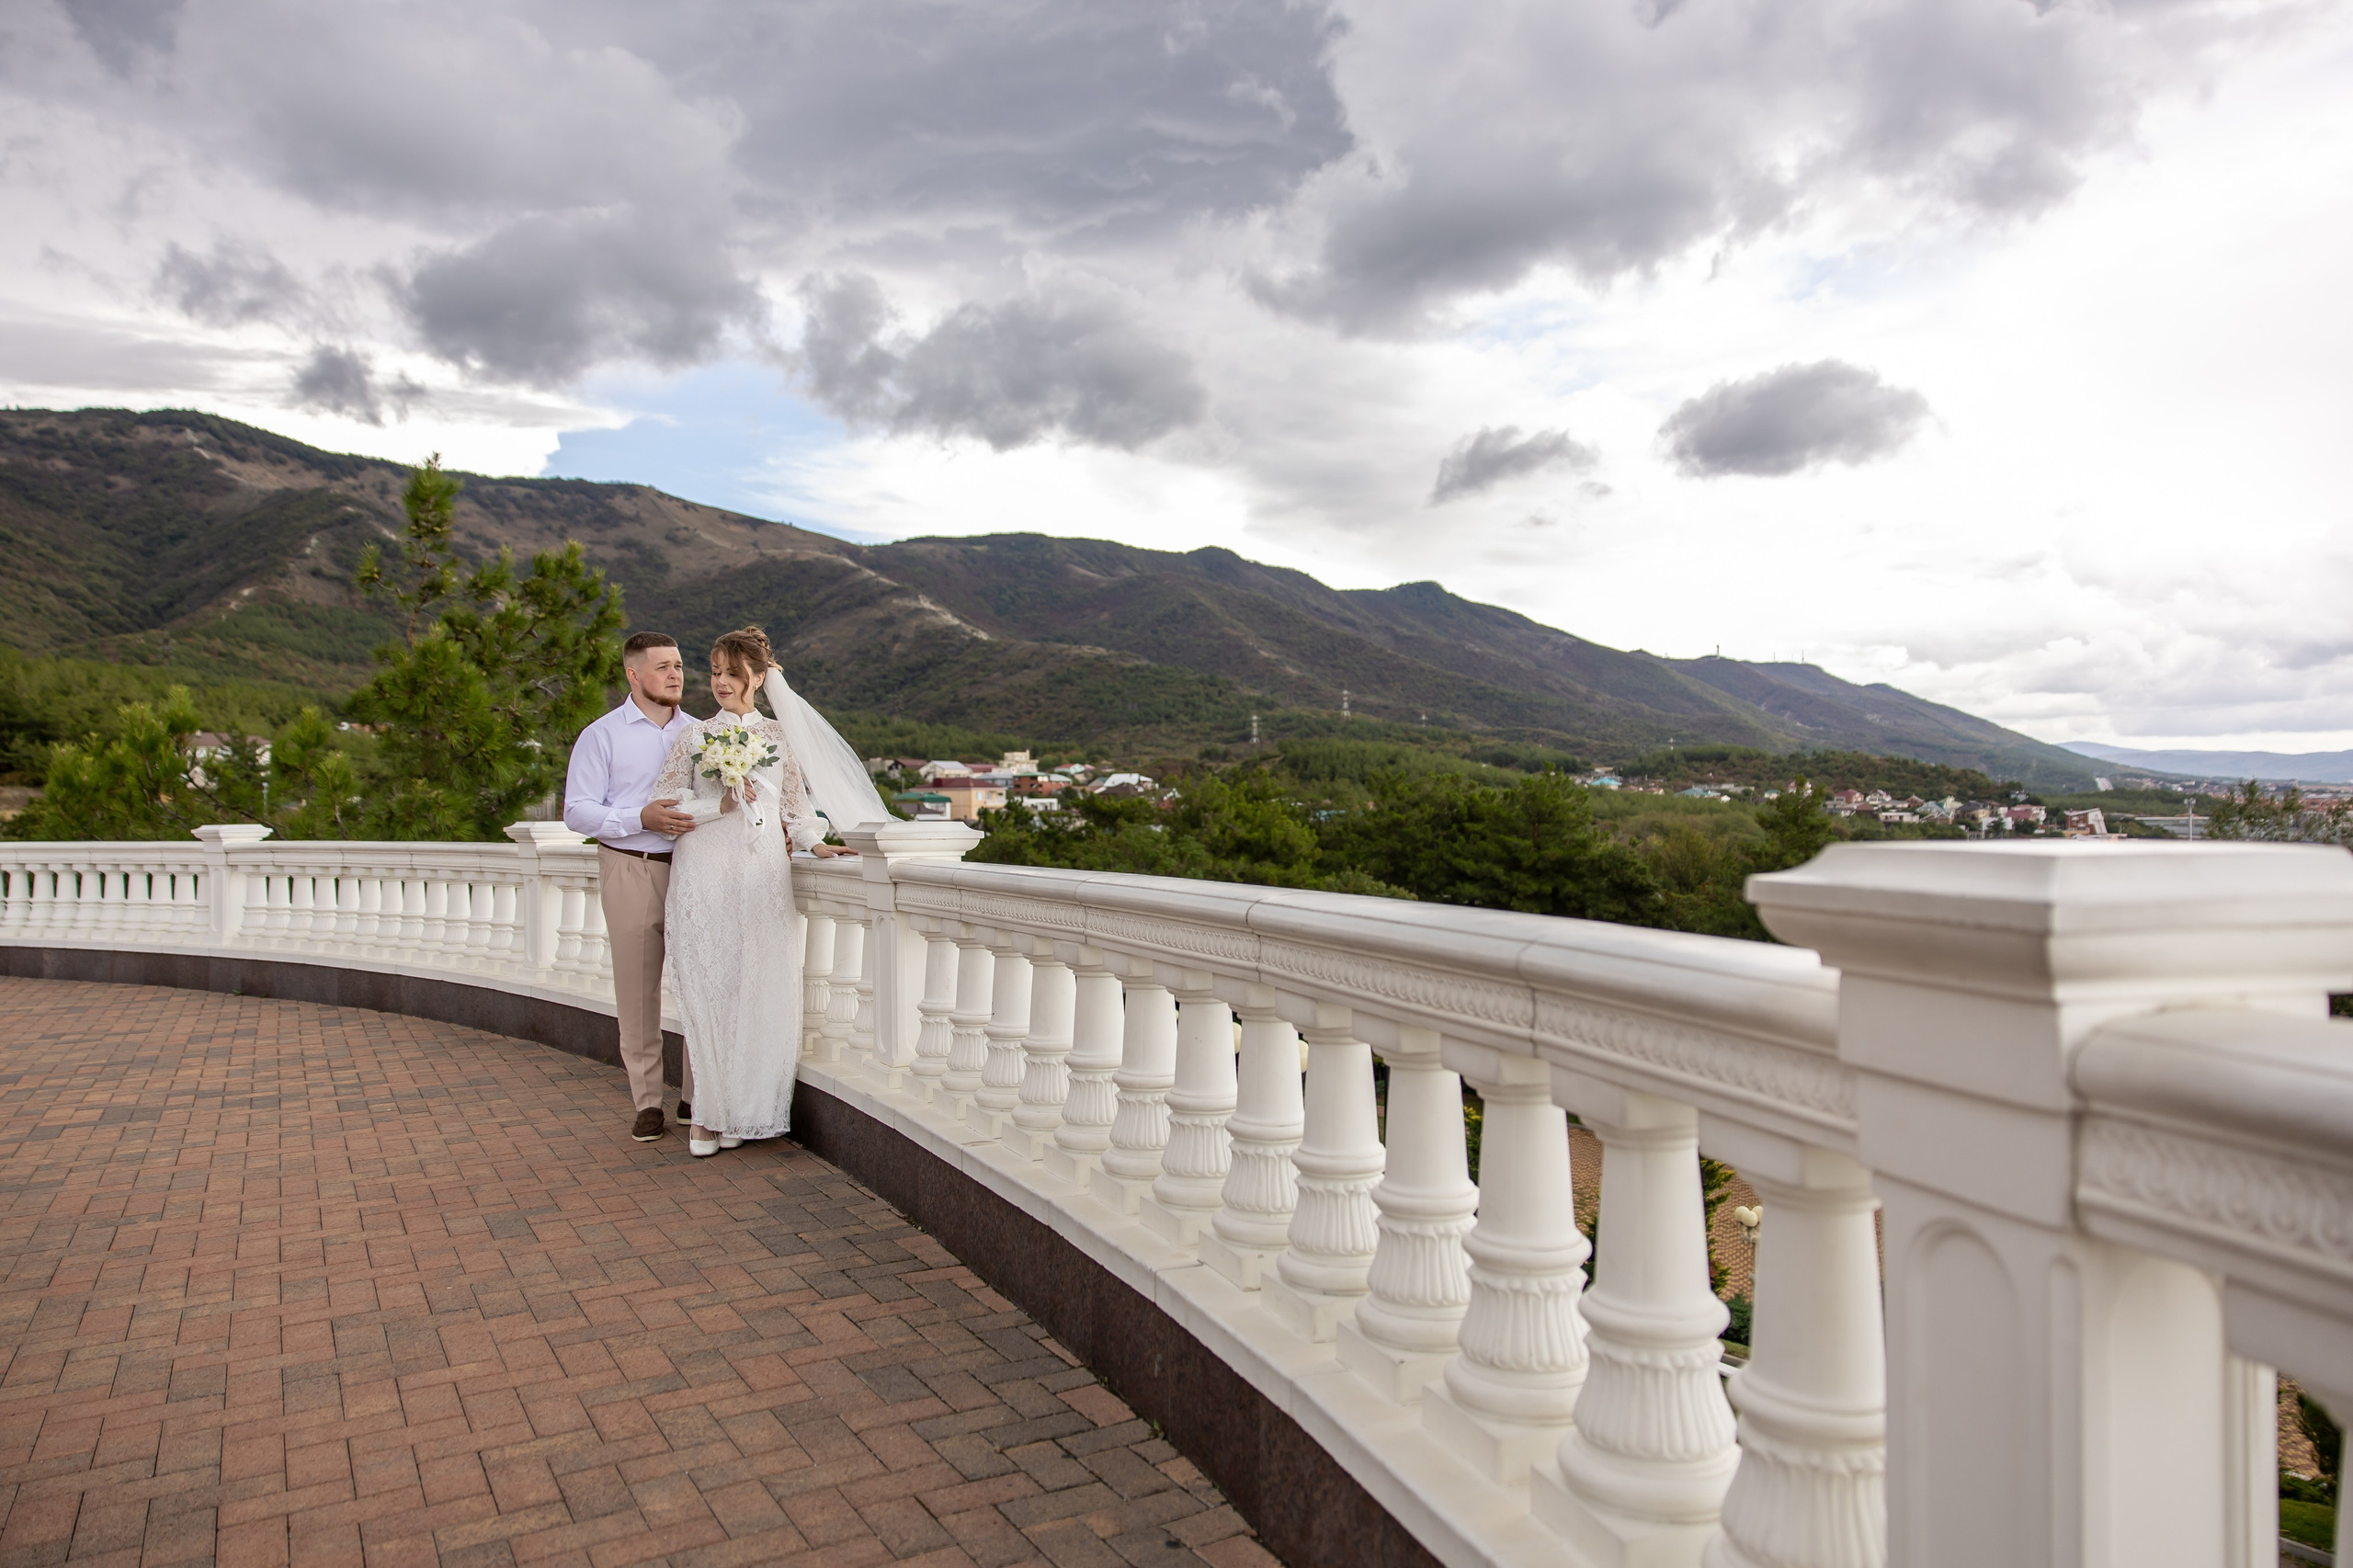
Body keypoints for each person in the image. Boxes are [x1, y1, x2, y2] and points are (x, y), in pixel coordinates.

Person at [649, 628, 886, 1155]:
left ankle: (744, 1112)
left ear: (758, 677)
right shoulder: (692, 738)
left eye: (732, 673)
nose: (720, 683)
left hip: (760, 873)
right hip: (703, 870)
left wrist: (817, 844)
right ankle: (707, 1116)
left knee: (755, 988)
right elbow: (666, 805)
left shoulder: (780, 738)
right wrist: (721, 806)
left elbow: (796, 810)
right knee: (707, 987)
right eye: (714, 672)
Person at [563, 631, 701, 1142]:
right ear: (633, 674)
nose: (675, 675)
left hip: (695, 871)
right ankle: (647, 1101)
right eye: (663, 666)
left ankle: (694, 1094)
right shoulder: (602, 735)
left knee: (697, 985)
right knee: (638, 992)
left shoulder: (704, 734)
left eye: (680, 664)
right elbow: (577, 811)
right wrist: (637, 817)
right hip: (630, 867)